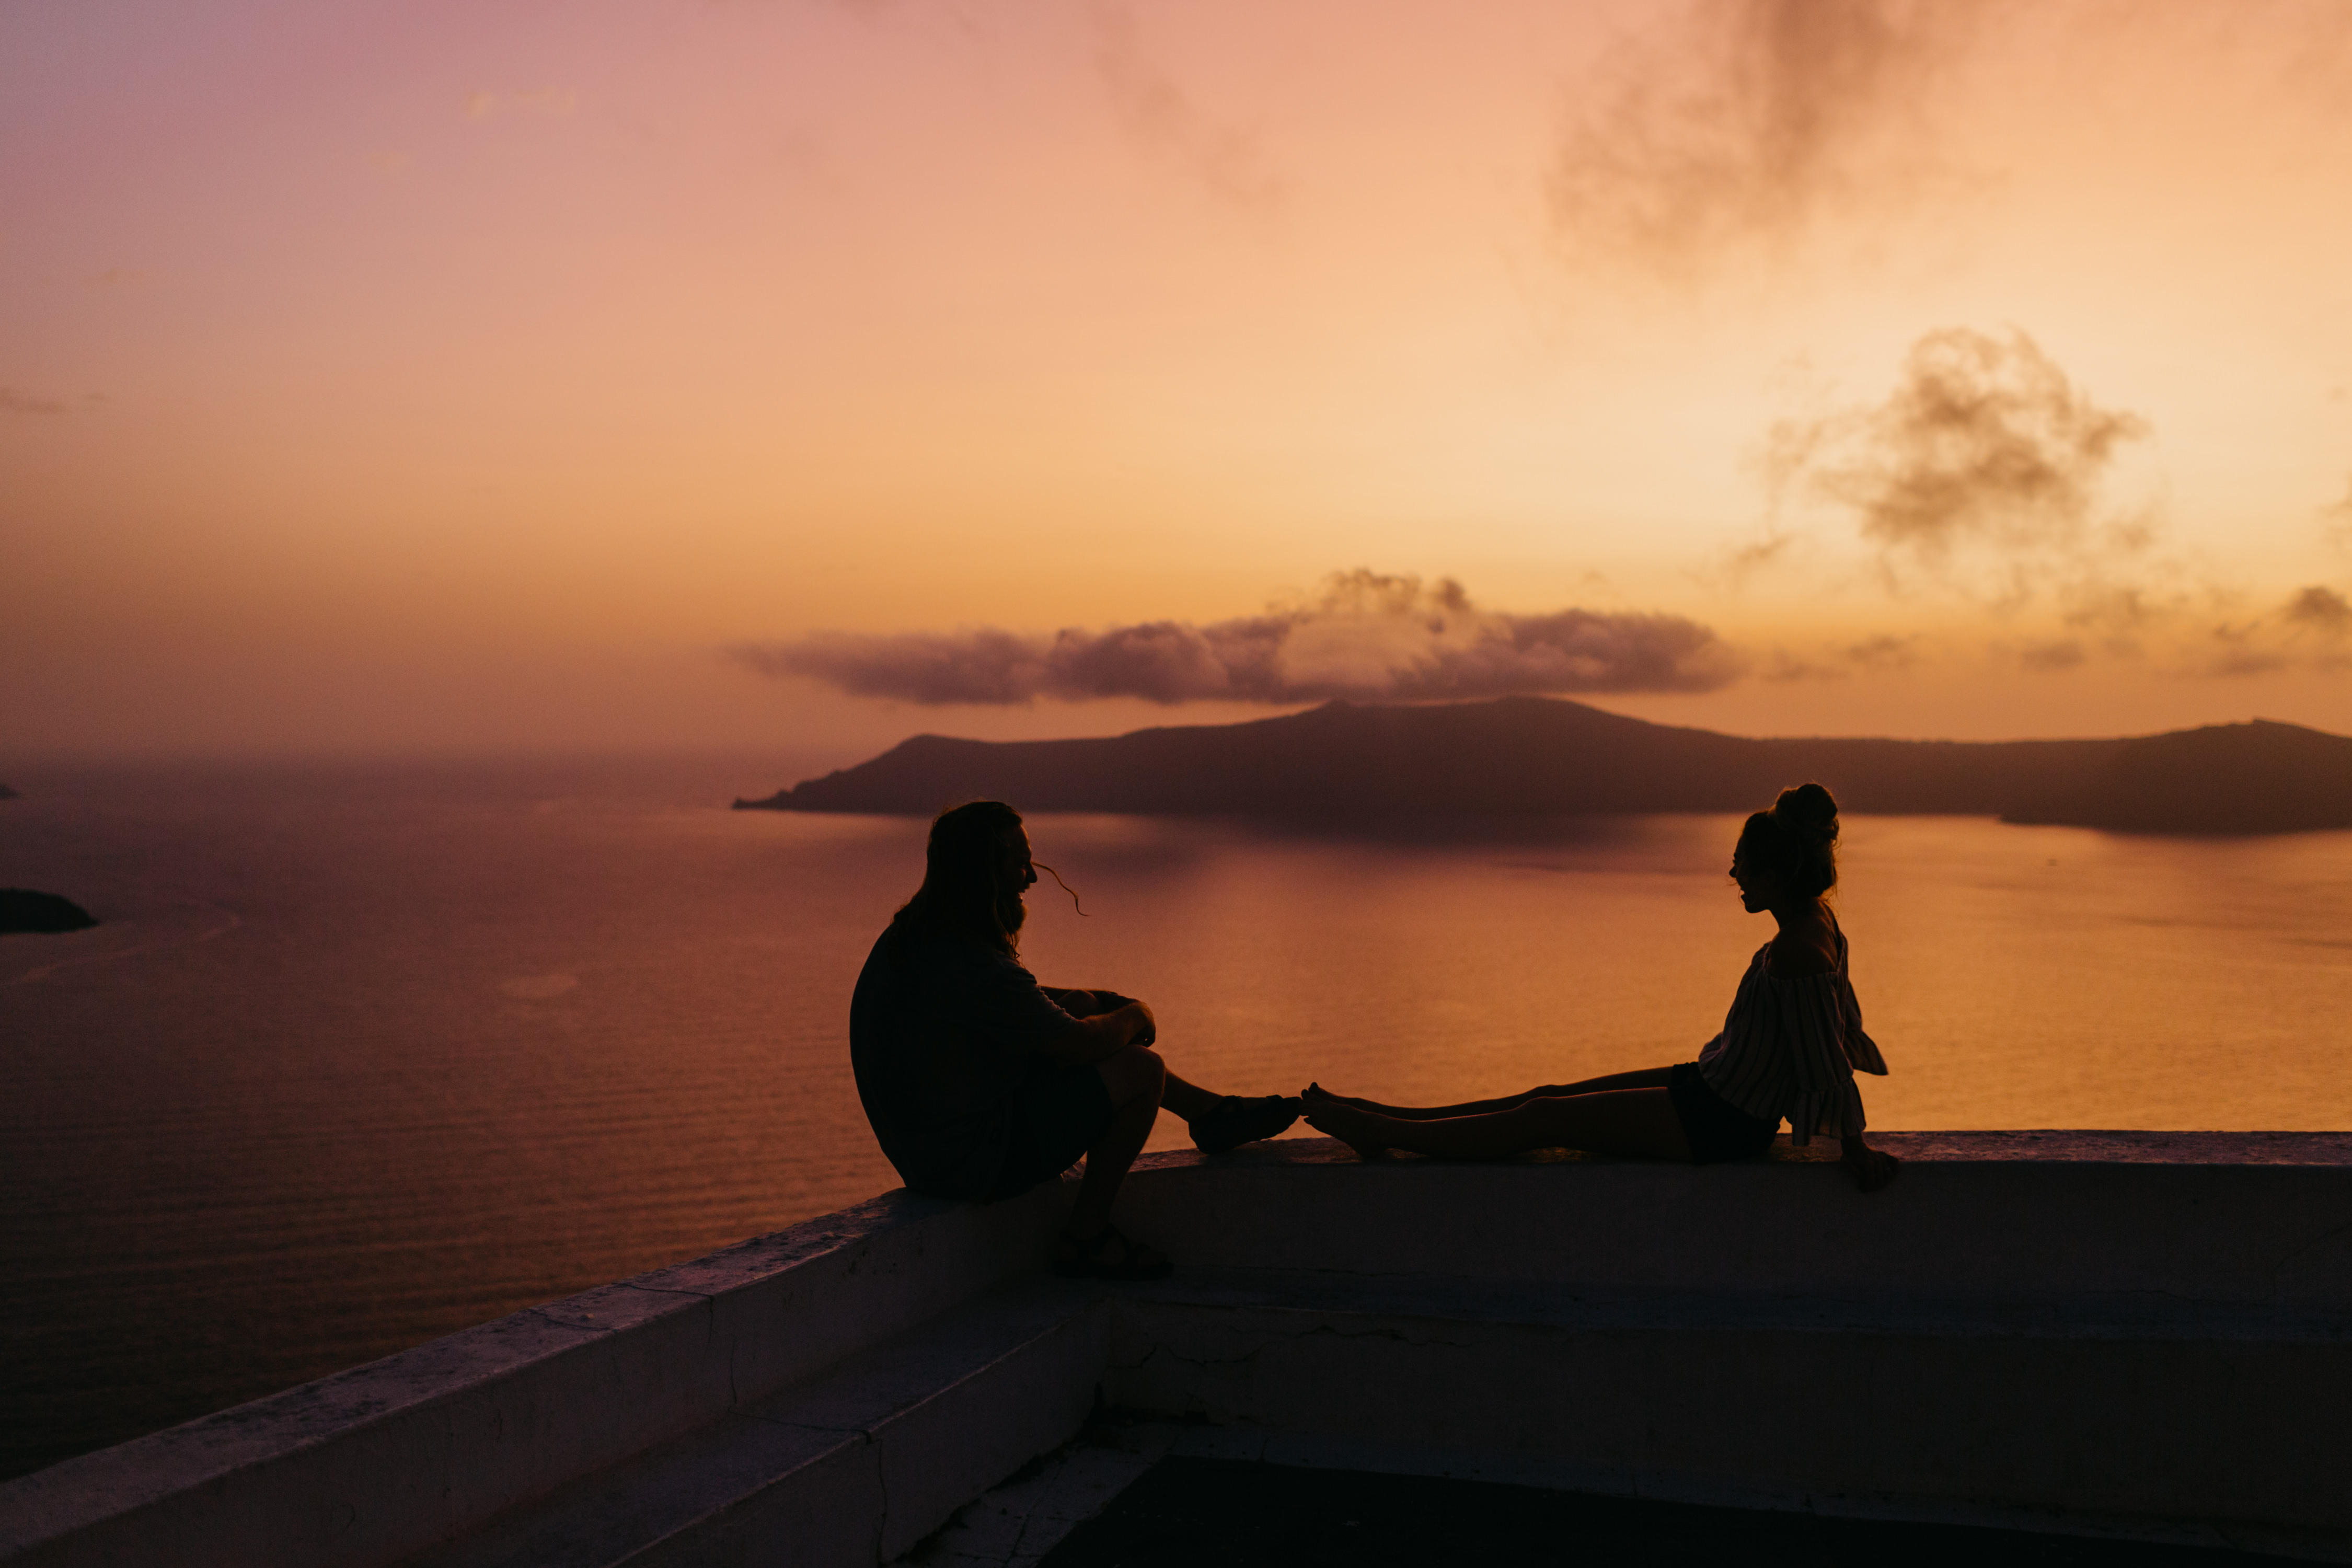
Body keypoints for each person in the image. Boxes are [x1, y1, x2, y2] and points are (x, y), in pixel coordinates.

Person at [1301, 782, 1901, 1193]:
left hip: (1722, 1122)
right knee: (1544, 1096)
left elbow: (1826, 1057)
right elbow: (1836, 1030)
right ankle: (1380, 1117)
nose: (1732, 875)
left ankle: (1380, 1133)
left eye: (1741, 865)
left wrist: (1855, 1149)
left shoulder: (1798, 951)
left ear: (1773, 876)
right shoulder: (1815, 923)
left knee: (1544, 1119)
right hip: (1710, 1089)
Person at [850, 800, 1301, 1279]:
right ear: (984, 871)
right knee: (1141, 1071)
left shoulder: (918, 938)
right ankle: (1086, 1238)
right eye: (1021, 863)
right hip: (971, 1164)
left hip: (930, 1154)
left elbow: (1013, 1007)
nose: (1033, 878)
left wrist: (1098, 1000)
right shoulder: (974, 963)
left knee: (1084, 1005)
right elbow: (1078, 1045)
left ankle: (1209, 1113)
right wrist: (1135, 1014)